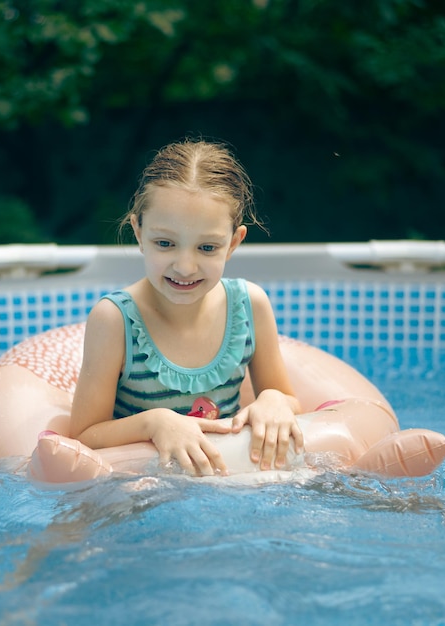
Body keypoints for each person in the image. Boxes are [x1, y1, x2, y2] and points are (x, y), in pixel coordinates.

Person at [69, 138, 303, 477]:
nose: (185, 266)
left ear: (234, 243)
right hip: (141, 485)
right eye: (164, 243)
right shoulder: (115, 320)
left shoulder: (250, 305)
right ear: (138, 232)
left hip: (227, 480)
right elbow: (83, 436)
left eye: (207, 247)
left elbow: (289, 399)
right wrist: (156, 422)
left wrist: (274, 400)